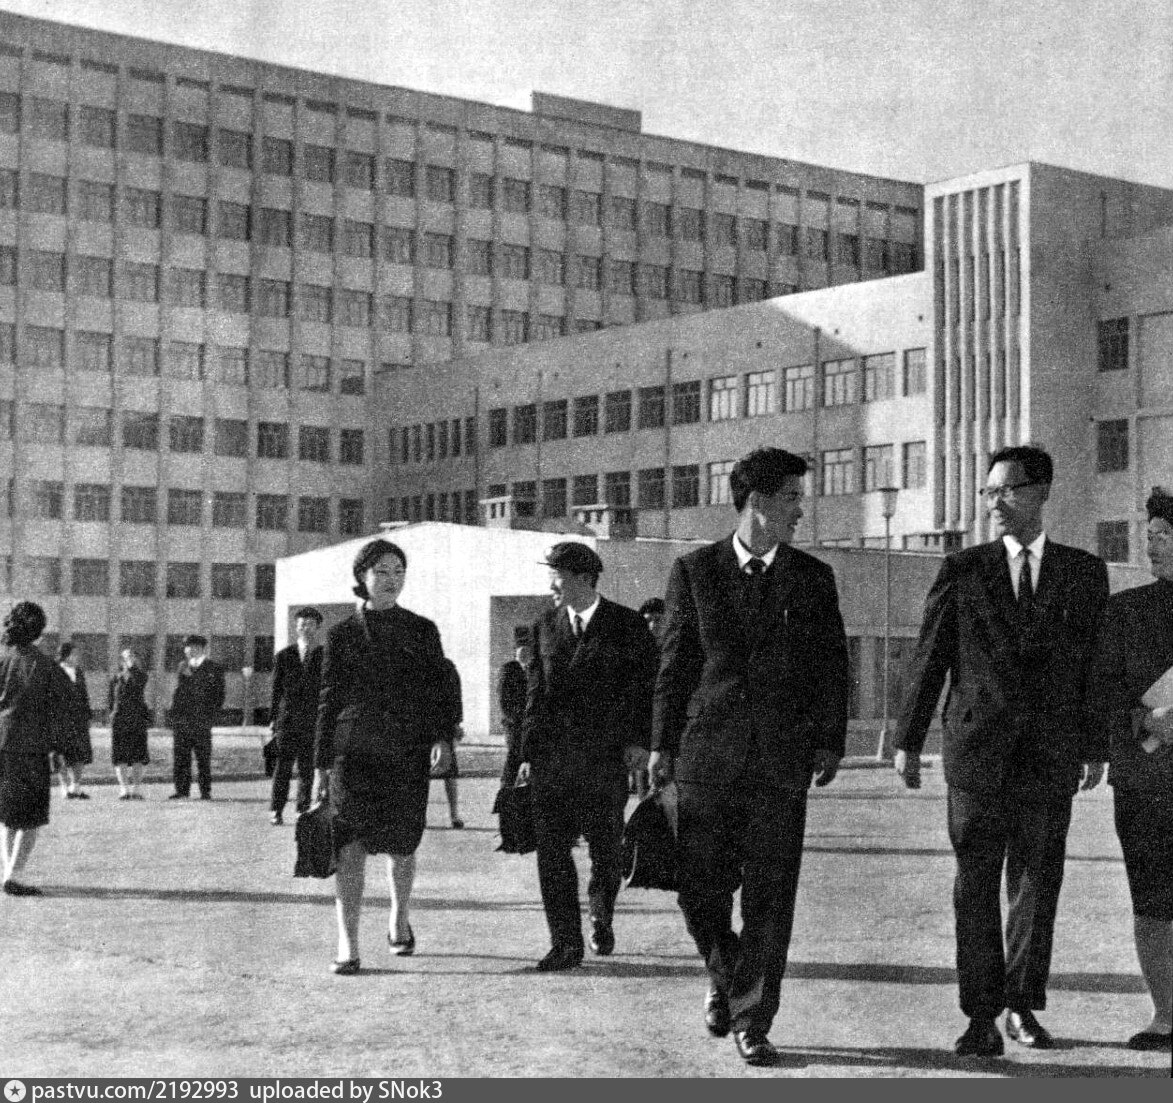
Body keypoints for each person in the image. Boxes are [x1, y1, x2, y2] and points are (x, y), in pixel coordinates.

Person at [894, 445, 1109, 1057]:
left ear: (1040, 492)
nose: (994, 502)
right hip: (976, 755)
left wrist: (1094, 745)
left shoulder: (1083, 572)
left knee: (1038, 883)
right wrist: (908, 738)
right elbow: (930, 656)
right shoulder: (963, 569)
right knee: (976, 885)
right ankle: (980, 1015)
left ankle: (1021, 1005)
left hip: (1049, 755)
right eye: (988, 492)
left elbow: (1093, 667)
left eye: (1006, 490)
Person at [649, 447, 849, 1067]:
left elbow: (831, 666)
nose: (800, 510)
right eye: (792, 497)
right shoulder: (694, 571)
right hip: (705, 760)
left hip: (779, 766)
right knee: (698, 891)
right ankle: (727, 973)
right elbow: (676, 664)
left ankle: (752, 1018)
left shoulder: (812, 577)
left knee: (770, 898)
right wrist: (660, 744)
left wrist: (829, 740)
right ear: (757, 502)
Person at [311, 539, 454, 975]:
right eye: (382, 572)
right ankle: (347, 944)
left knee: (402, 847)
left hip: (405, 753)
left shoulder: (422, 630)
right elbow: (328, 700)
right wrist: (320, 764)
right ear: (362, 577)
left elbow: (438, 690)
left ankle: (399, 917)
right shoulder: (341, 634)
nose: (391, 580)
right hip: (353, 755)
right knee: (349, 849)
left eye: (398, 571)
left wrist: (442, 737)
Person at [517, 541, 658, 971]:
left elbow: (647, 692)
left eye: (556, 576)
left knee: (606, 848)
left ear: (583, 578)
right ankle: (565, 943)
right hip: (553, 760)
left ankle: (600, 912)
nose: (551, 585)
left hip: (605, 759)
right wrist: (525, 755)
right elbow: (535, 695)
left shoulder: (627, 625)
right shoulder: (544, 626)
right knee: (552, 852)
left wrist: (641, 742)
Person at [1088, 487, 1173, 1052]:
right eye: (1150, 536)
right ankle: (1166, 1016)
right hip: (1147, 782)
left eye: (1164, 536)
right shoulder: (1126, 611)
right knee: (1153, 900)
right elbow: (1100, 696)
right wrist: (1147, 721)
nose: (1152, 546)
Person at [1, 602, 69, 895]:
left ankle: (8, 872)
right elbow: (61, 710)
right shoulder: (46, 665)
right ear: (39, 631)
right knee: (29, 818)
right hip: (31, 747)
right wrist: (60, 748)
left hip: (3, 744)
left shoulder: (4, 659)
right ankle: (14, 876)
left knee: (8, 815)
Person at [268, 608, 324, 826]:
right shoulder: (284, 655)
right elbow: (276, 690)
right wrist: (273, 719)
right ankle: (276, 809)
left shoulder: (324, 655)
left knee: (307, 769)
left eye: (310, 624)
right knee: (282, 768)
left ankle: (302, 809)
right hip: (287, 722)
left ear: (317, 627)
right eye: (301, 624)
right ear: (296, 627)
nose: (305, 628)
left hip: (312, 722)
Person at [168, 635, 226, 801]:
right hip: (182, 720)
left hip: (202, 721)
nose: (187, 650)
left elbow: (219, 695)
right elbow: (178, 692)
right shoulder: (182, 666)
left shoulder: (213, 667)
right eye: (186, 647)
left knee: (203, 757)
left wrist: (210, 717)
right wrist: (174, 715)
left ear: (200, 648)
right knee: (181, 757)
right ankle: (182, 790)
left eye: (191, 647)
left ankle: (205, 791)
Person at [110, 648, 151, 800]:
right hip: (120, 721)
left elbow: (138, 684)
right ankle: (124, 789)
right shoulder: (116, 678)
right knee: (120, 756)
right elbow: (111, 699)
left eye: (132, 656)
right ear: (121, 660)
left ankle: (136, 789)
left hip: (137, 720)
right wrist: (112, 714)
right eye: (126, 657)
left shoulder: (141, 675)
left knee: (138, 756)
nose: (129, 659)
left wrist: (131, 668)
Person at [55, 642, 93, 800]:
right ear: (66, 655)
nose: (77, 657)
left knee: (80, 754)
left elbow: (84, 695)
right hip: (60, 720)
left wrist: (88, 715)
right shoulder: (54, 671)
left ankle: (76, 788)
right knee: (61, 755)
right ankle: (65, 788)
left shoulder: (79, 672)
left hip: (79, 720)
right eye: (74, 654)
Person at [432, 658, 465, 829]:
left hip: (440, 727)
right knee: (447, 773)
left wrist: (456, 723)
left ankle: (454, 814)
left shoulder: (446, 667)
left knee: (449, 772)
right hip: (427, 727)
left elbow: (456, 697)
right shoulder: (447, 666)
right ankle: (454, 815)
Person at [496, 643, 531, 795]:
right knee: (514, 757)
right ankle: (505, 791)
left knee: (524, 758)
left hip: (528, 722)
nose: (524, 653)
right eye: (521, 650)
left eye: (527, 650)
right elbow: (503, 698)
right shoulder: (509, 669)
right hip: (514, 723)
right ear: (515, 652)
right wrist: (514, 718)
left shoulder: (532, 669)